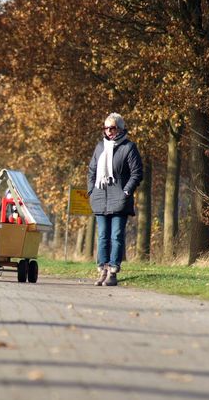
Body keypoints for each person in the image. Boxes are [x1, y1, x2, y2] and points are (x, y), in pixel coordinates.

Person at [87, 112, 143, 286]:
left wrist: (126, 191)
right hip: (100, 197)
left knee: (116, 235)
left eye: (111, 128)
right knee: (103, 235)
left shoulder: (129, 147)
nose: (108, 131)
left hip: (119, 198)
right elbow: (92, 171)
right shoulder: (100, 147)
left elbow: (137, 173)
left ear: (120, 128)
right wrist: (91, 191)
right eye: (106, 128)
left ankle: (113, 271)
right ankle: (102, 270)